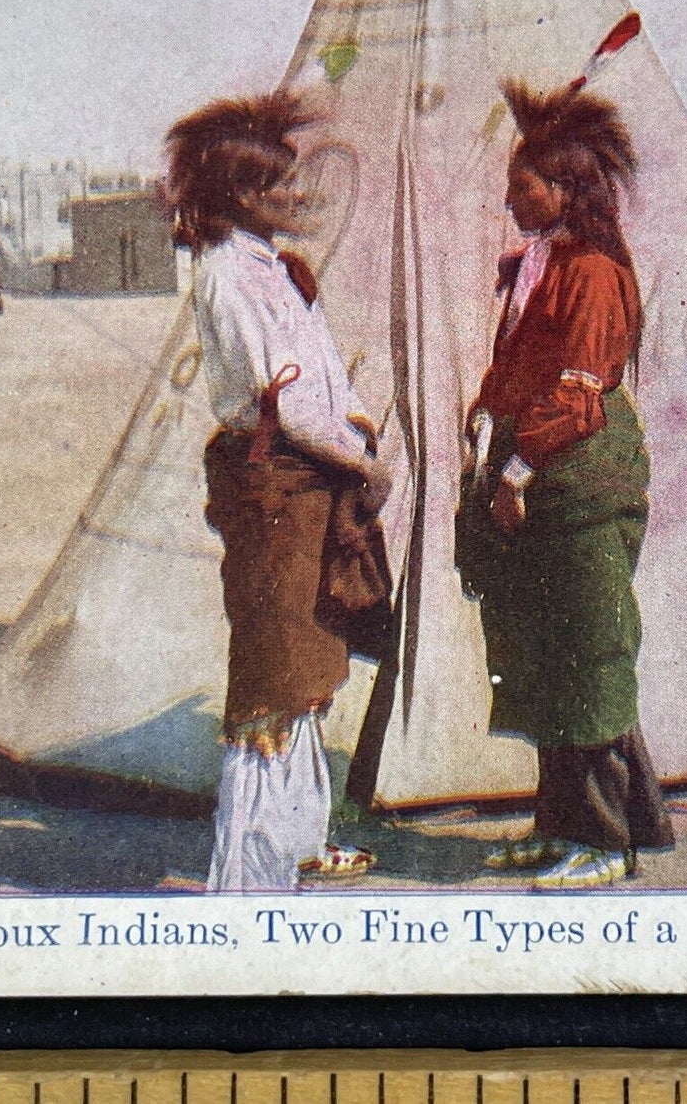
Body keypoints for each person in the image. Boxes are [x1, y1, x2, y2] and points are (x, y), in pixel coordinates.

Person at [165, 88, 391, 892]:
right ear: (241, 197)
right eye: (279, 185)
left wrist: (356, 429)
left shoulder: (275, 272)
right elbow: (285, 403)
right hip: (275, 486)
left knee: (309, 662)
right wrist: (359, 461)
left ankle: (298, 840)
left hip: (310, 481)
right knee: (271, 675)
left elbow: (320, 381)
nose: (299, 195)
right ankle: (250, 872)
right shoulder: (229, 278)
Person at [461, 77, 675, 889]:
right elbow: (515, 368)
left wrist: (515, 469)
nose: (510, 199)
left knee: (587, 651)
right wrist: (486, 423)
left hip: (576, 473)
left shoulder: (590, 272)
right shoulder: (543, 265)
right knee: (543, 654)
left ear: (565, 190)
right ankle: (559, 826)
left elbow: (578, 396)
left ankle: (605, 839)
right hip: (534, 467)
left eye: (523, 186)